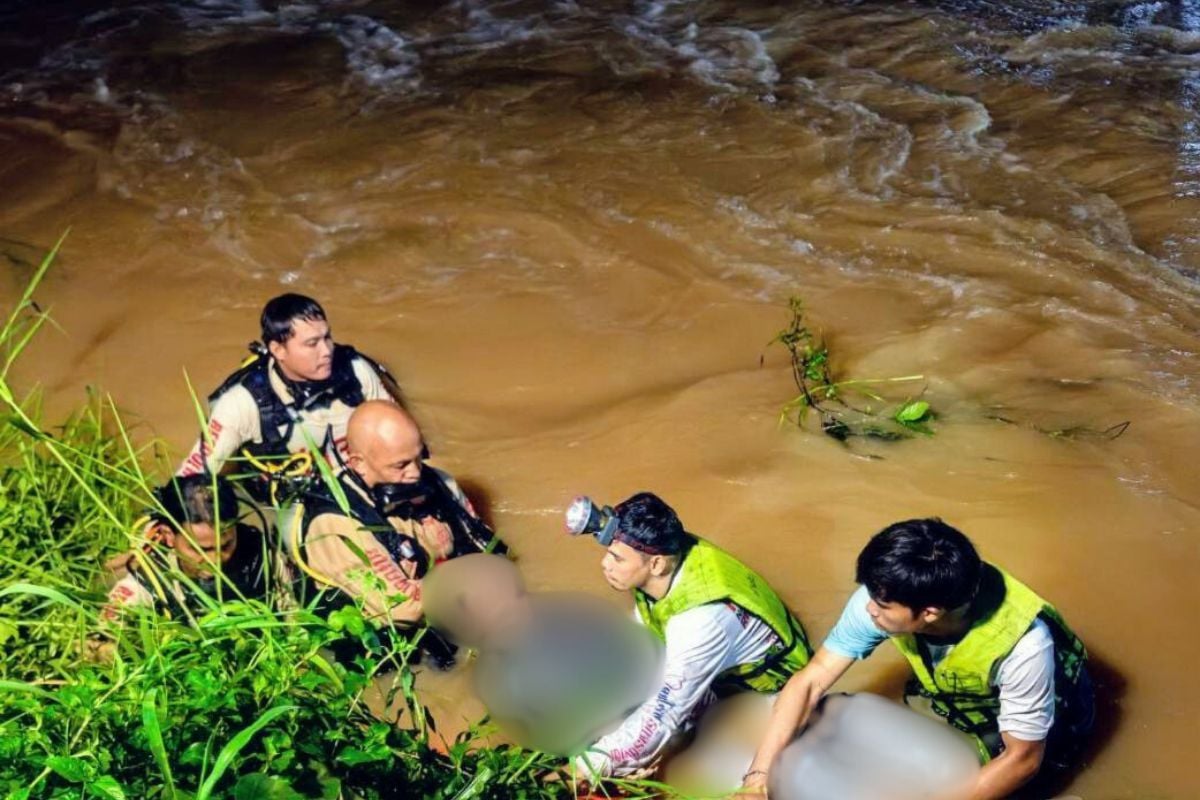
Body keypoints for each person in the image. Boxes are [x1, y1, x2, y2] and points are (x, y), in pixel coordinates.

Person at [741, 518, 1093, 800]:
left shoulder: (1024, 649)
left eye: (881, 605)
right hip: (954, 693)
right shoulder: (897, 590)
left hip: (1039, 728)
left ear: (929, 613)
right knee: (825, 715)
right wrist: (756, 780)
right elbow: (812, 680)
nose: (868, 609)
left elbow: (1023, 760)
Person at [573, 492, 812, 780]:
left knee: (704, 776)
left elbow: (662, 716)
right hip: (721, 665)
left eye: (617, 558)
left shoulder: (699, 623)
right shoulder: (669, 555)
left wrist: (579, 771)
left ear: (657, 565)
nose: (605, 565)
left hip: (773, 695)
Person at [283, 400, 505, 666]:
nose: (415, 473)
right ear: (359, 464)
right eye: (400, 466)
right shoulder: (338, 524)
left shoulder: (439, 482)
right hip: (384, 651)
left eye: (418, 458)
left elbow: (484, 546)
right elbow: (402, 609)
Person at [178, 294, 398, 500]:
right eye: (312, 344)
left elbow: (401, 437)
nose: (326, 350)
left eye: (327, 337)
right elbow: (193, 476)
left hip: (365, 485)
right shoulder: (242, 403)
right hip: (295, 505)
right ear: (278, 350)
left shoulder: (355, 370)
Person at [101, 474, 272, 625]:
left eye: (226, 545)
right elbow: (102, 639)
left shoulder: (261, 556)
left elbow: (293, 615)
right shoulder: (146, 581)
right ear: (168, 536)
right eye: (201, 550)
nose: (216, 561)